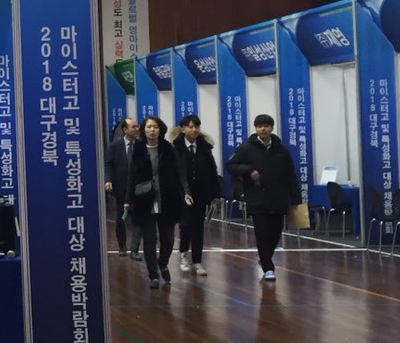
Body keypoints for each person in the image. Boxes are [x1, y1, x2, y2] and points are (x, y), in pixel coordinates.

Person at [227, 114, 302, 281]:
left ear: (271, 128)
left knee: (275, 232)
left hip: (278, 198)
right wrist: (248, 171)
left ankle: (265, 257)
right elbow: (231, 165)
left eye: (266, 126)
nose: (263, 129)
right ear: (255, 128)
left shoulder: (281, 150)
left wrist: (296, 199)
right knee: (261, 232)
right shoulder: (246, 148)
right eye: (259, 126)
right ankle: (268, 267)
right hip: (257, 197)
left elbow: (291, 175)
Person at [126, 115, 185, 288]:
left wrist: (185, 192)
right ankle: (153, 274)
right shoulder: (137, 149)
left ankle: (163, 262)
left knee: (168, 240)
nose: (152, 130)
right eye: (149, 127)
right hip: (145, 199)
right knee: (149, 239)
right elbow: (132, 176)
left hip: (167, 199)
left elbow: (179, 173)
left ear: (160, 130)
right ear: (144, 130)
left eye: (155, 127)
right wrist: (127, 200)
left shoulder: (168, 148)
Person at [172, 114, 221, 275]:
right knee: (186, 224)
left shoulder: (205, 147)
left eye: (196, 127)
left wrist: (215, 194)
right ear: (183, 129)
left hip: (201, 193)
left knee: (198, 227)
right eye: (190, 127)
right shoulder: (175, 147)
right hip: (182, 193)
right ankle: (183, 254)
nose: (194, 130)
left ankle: (197, 261)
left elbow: (212, 171)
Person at [105, 117, 141, 260]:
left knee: (137, 218)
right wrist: (108, 180)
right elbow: (108, 164)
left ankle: (135, 248)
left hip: (138, 188)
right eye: (134, 127)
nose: (137, 129)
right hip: (120, 186)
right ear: (125, 129)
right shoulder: (115, 146)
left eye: (137, 126)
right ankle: (122, 246)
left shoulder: (141, 145)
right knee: (121, 217)